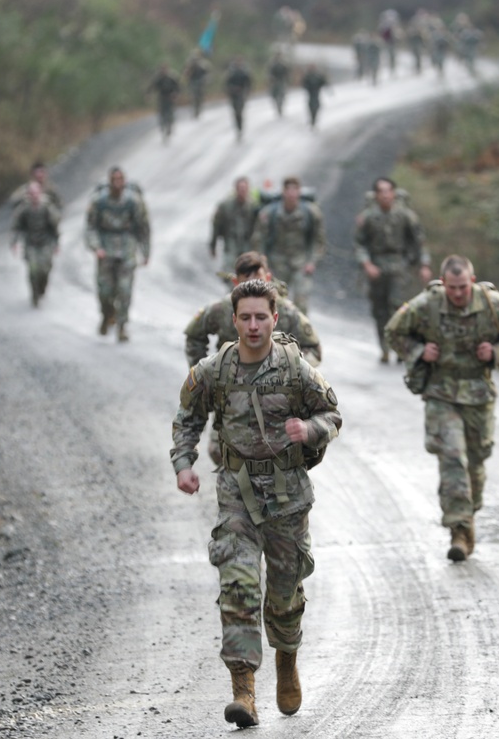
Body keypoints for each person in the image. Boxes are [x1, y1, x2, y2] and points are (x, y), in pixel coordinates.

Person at [171, 278, 342, 728]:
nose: (252, 325)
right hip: (236, 492)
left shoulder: (294, 367)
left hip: (286, 495)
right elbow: (188, 417)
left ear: (274, 319)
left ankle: (287, 656)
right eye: (244, 317)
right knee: (238, 586)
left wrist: (310, 431)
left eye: (260, 317)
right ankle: (243, 690)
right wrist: (184, 463)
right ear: (233, 321)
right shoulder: (215, 369)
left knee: (284, 595)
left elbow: (331, 413)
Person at [385, 255, 499, 562]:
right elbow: (394, 332)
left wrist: (497, 352)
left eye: (463, 287)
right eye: (452, 288)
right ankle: (459, 531)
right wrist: (419, 350)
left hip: (478, 394)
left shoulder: (494, 305)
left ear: (473, 282)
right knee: (453, 459)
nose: (458, 294)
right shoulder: (427, 304)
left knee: (475, 465)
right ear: (444, 285)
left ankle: (468, 515)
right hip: (441, 393)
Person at [185, 251, 323, 465]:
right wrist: (205, 374)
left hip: (275, 395)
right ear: (235, 282)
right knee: (218, 450)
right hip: (232, 392)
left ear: (267, 278)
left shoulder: (285, 311)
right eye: (245, 279)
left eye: (257, 278)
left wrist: (292, 371)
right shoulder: (222, 309)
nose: (252, 284)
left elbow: (313, 349)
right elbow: (194, 335)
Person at [354, 177, 433, 362]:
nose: (385, 195)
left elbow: (419, 241)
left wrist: (424, 264)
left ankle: (400, 347)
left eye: (388, 191)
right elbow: (359, 244)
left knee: (399, 308)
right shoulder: (368, 217)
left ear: (394, 193)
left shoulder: (405, 216)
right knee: (379, 310)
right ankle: (384, 348)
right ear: (376, 195)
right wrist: (367, 264)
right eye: (381, 191)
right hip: (377, 266)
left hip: (399, 265)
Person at [85, 166, 150, 340]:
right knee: (105, 291)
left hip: (127, 248)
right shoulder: (99, 201)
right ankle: (107, 315)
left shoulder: (133, 202)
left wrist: (145, 251)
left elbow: (143, 227)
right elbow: (91, 227)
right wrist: (96, 247)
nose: (118, 183)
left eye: (121, 179)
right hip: (106, 250)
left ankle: (122, 326)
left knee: (124, 289)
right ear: (109, 182)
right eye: (115, 180)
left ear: (125, 181)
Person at [251, 177, 326, 314]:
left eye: (295, 190)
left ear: (299, 192)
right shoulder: (269, 213)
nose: (291, 193)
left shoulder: (311, 213)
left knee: (301, 303)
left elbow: (319, 240)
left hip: (301, 263)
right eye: (288, 190)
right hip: (276, 264)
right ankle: (276, 334)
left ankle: (300, 334)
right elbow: (258, 240)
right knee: (275, 303)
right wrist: (263, 266)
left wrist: (312, 261)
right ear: (283, 192)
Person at [10, 181, 60, 307]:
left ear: (40, 193)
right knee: (33, 270)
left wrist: (56, 243)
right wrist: (14, 242)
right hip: (31, 243)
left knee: (45, 269)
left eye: (36, 193)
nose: (34, 196)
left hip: (45, 243)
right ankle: (35, 295)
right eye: (31, 193)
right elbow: (16, 226)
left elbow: (55, 225)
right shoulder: (24, 209)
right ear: (28, 194)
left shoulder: (46, 207)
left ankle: (42, 288)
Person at [210, 177, 259, 274]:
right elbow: (216, 225)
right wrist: (213, 245)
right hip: (230, 243)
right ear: (236, 189)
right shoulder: (225, 206)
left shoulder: (253, 206)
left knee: (248, 273)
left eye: (245, 188)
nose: (243, 191)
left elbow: (259, 228)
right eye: (240, 188)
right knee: (229, 272)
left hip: (247, 244)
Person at [146, 63, 181, 142]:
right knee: (161, 113)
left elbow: (178, 86)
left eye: (165, 69)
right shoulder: (158, 78)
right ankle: (162, 127)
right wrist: (149, 95)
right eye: (162, 69)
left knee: (170, 113)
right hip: (161, 98)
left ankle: (169, 126)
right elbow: (151, 87)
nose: (163, 71)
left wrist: (176, 94)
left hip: (170, 97)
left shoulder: (172, 77)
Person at [224, 58, 254, 140]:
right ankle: (238, 127)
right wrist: (230, 91)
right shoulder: (231, 73)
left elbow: (248, 83)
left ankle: (240, 127)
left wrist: (246, 92)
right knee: (235, 113)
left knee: (239, 112)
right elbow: (226, 84)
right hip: (233, 95)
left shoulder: (244, 72)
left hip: (241, 94)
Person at [183, 49, 212, 119]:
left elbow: (207, 73)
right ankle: (195, 110)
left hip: (200, 82)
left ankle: (198, 109)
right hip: (193, 82)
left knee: (199, 97)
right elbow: (186, 74)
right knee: (193, 96)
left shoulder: (203, 64)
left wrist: (206, 80)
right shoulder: (189, 65)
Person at [300, 64, 330, 129]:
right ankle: (312, 119)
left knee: (316, 107)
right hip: (311, 94)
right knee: (311, 107)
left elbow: (324, 82)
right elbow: (304, 84)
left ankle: (314, 119)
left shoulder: (318, 76)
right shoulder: (308, 76)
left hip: (316, 94)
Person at [267, 50, 292, 117]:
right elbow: (269, 72)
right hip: (274, 82)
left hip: (281, 81)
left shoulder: (284, 64)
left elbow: (287, 73)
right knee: (274, 95)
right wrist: (271, 79)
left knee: (281, 95)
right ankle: (277, 105)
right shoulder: (272, 63)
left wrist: (287, 80)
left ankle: (280, 106)